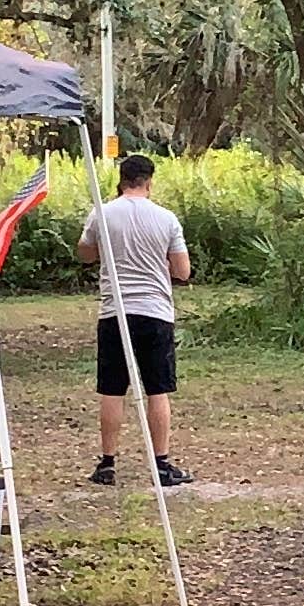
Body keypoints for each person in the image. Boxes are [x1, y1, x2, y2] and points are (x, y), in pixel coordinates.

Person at [81, 152, 194, 487]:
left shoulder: (102, 214)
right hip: (155, 312)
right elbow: (182, 271)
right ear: (149, 181)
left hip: (114, 311)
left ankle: (107, 463)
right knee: (158, 389)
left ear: (121, 180)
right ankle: (160, 463)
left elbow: (85, 253)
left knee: (112, 389)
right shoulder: (166, 218)